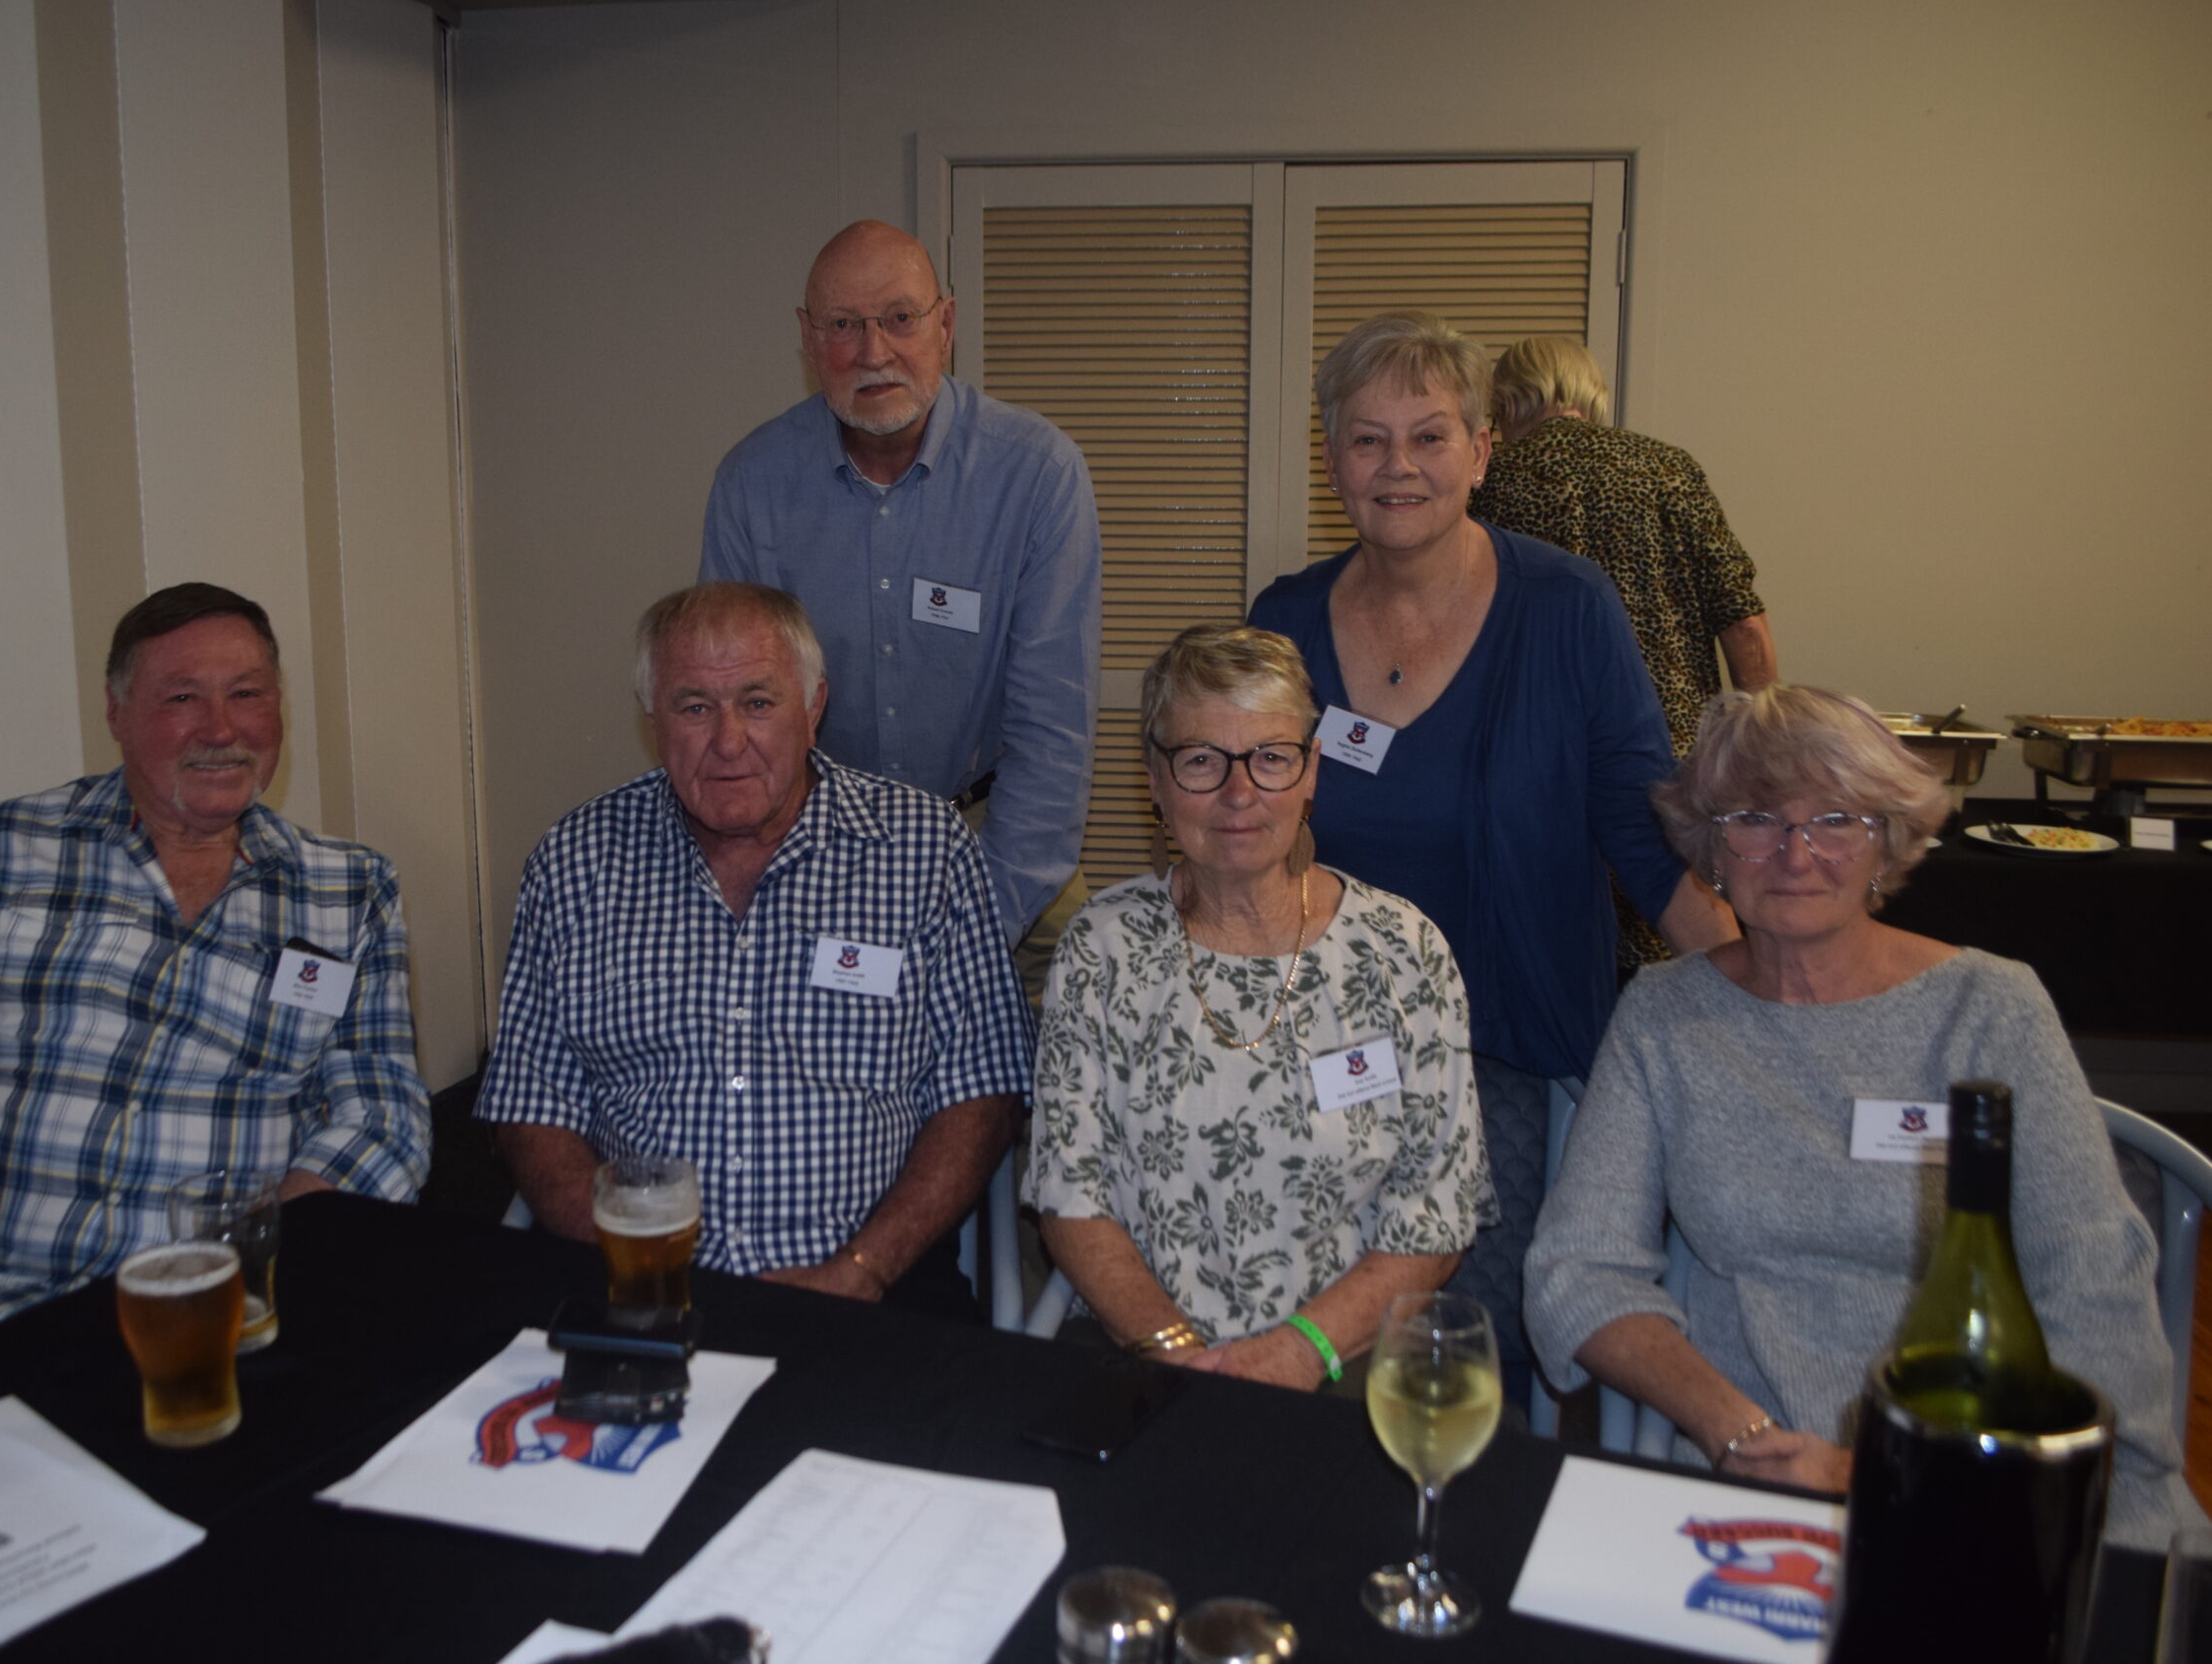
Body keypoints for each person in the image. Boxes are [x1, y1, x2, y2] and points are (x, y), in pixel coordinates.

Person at [0, 584, 432, 1431]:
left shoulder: (348, 890)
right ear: (116, 710)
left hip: (224, 1318)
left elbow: (383, 1118)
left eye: (247, 693)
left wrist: (243, 1267)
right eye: (181, 697)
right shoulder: (5, 853)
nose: (221, 728)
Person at [1525, 685, 2194, 1548]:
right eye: (1755, 818)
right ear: (1711, 849)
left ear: (1888, 842)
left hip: (1993, 1474)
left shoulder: (1991, 1009)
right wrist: (1739, 1434)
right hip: (1765, 1482)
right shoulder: (1665, 1018)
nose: (1795, 853)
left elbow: (2090, 1283)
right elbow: (1578, 1270)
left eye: (1836, 819)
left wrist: (1931, 1472)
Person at [1247, 310, 1736, 1393]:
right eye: (1367, 439)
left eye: (1429, 436)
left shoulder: (1567, 609)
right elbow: (1244, 840)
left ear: (1482, 448)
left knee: (1457, 1356)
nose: (1398, 465)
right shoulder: (1283, 620)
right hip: (1317, 1050)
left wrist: (1761, 1000)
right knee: (1277, 1310)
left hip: (1504, 1056)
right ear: (1333, 460)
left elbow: (1646, 841)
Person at [477, 582, 1034, 1318]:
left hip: (873, 1289)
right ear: (654, 718)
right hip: (634, 1279)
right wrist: (634, 1271)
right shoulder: (576, 861)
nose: (728, 740)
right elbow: (531, 1102)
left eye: (758, 702)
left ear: (814, 709)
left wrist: (861, 1270)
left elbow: (982, 1093)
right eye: (695, 706)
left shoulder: (924, 849)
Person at [1025, 624, 1494, 1391]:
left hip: (1349, 1361)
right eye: (1202, 760)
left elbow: (1434, 1215)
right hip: (1143, 1354)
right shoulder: (1102, 947)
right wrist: (1180, 1352)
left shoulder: (1403, 950)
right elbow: (1070, 1197)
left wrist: (1297, 1352)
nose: (1240, 793)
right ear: (1154, 777)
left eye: (1271, 758)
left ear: (1312, 771)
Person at [701, 220, 1100, 987]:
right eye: (845, 325)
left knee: (1068, 1042)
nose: (873, 351)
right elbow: (736, 726)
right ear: (809, 340)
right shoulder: (751, 484)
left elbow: (1052, 735)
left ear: (945, 325)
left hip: (997, 836)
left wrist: (968, 933)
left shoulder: (1039, 475)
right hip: (815, 841)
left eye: (900, 318)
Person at [1471, 335, 1774, 754]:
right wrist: (1762, 744)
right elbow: (1742, 622)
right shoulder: (1669, 470)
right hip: (1669, 741)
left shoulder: (1484, 484)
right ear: (1595, 394)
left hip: (1532, 740)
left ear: (1504, 403)